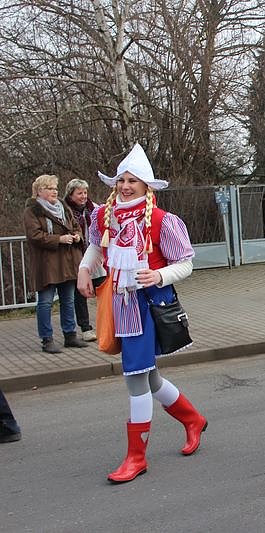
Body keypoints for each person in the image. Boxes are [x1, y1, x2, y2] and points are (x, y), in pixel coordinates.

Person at [77, 143, 207, 483]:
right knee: (147, 376)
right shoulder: (103, 215)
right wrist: (83, 269)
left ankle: (137, 457)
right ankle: (193, 419)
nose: (125, 186)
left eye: (133, 180)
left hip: (149, 304)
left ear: (146, 185)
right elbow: (95, 245)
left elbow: (186, 264)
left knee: (135, 378)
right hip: (119, 302)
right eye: (122, 180)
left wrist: (159, 275)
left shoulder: (164, 221)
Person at [23, 174, 89, 354]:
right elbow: (35, 236)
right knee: (45, 302)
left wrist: (76, 235)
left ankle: (70, 335)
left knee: (68, 300)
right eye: (50, 188)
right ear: (39, 191)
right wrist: (59, 239)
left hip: (67, 261)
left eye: (55, 188)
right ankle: (47, 339)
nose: (54, 191)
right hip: (47, 264)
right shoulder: (32, 211)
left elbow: (75, 225)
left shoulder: (63, 207)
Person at [64, 178, 105, 342]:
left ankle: (106, 322)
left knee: (103, 286)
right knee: (80, 293)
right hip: (76, 254)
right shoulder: (65, 210)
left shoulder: (93, 208)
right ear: (71, 194)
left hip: (95, 252)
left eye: (85, 193)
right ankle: (85, 327)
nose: (83, 196)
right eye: (79, 193)